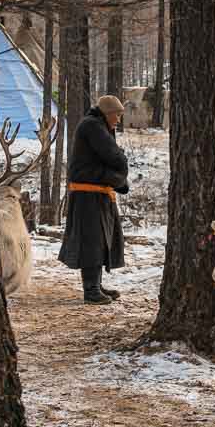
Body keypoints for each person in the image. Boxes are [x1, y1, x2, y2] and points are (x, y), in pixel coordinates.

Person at [59, 95, 129, 304]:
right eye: (117, 115)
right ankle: (90, 290)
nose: (118, 120)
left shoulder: (99, 126)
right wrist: (119, 174)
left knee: (99, 241)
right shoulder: (93, 126)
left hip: (97, 193)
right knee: (92, 241)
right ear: (107, 113)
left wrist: (117, 178)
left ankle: (96, 285)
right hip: (88, 195)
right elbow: (115, 157)